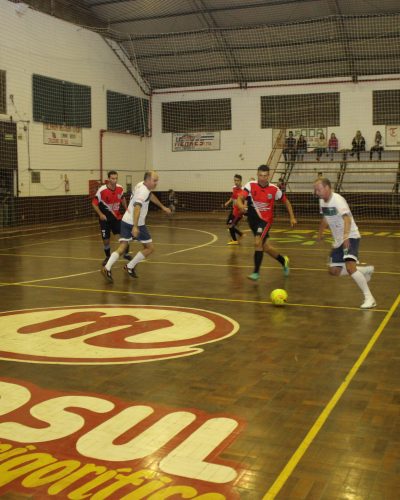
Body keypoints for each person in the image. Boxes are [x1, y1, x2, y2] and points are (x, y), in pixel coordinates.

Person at [314, 177, 376, 309]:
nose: (316, 192)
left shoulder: (338, 200)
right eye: (315, 190)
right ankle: (363, 271)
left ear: (327, 188)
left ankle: (370, 298)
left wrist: (346, 236)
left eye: (318, 189)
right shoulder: (322, 201)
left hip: (350, 236)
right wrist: (320, 233)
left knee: (350, 267)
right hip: (338, 241)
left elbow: (347, 218)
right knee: (334, 270)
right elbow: (325, 218)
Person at [101, 171, 171, 282]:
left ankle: (107, 268)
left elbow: (151, 196)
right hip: (136, 223)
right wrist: (135, 226)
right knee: (150, 248)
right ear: (147, 180)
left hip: (125, 219)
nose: (156, 183)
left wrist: (162, 207)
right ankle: (129, 266)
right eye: (154, 181)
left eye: (157, 180)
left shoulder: (141, 185)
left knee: (122, 247)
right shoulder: (143, 191)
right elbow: (137, 207)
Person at [236, 164, 297, 281]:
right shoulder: (250, 185)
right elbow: (240, 199)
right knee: (266, 247)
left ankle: (256, 273)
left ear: (268, 176)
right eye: (260, 175)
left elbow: (286, 202)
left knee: (257, 242)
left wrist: (292, 217)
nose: (262, 178)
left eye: (265, 176)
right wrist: (241, 207)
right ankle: (284, 261)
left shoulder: (274, 189)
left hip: (265, 221)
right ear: (257, 175)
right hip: (253, 221)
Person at [92, 170, 131, 266]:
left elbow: (122, 198)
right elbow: (94, 203)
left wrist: (127, 209)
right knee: (106, 240)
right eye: (112, 178)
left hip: (116, 218)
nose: (115, 180)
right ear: (108, 179)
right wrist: (100, 214)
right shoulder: (102, 190)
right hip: (105, 220)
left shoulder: (120, 188)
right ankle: (107, 257)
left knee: (124, 235)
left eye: (116, 178)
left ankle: (126, 253)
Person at [224, 174, 245, 245]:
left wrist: (243, 210)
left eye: (238, 180)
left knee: (230, 225)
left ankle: (235, 240)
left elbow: (245, 201)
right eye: (235, 180)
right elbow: (233, 196)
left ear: (241, 181)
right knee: (228, 224)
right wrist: (228, 202)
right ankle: (240, 234)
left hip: (238, 212)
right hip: (234, 209)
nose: (236, 182)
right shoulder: (234, 188)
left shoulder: (244, 190)